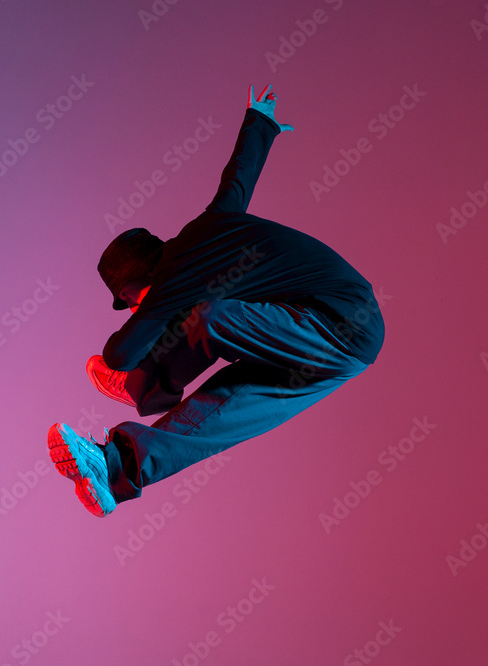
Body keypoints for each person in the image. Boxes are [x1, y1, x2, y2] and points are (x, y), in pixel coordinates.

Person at [48, 84, 385, 517]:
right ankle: (113, 468)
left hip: (338, 320)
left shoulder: (174, 275)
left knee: (206, 318)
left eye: (130, 301)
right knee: (223, 410)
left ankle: (142, 385)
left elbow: (118, 351)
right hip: (335, 347)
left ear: (137, 280)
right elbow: (238, 180)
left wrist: (124, 368)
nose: (136, 310)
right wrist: (260, 121)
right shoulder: (213, 224)